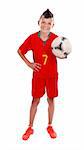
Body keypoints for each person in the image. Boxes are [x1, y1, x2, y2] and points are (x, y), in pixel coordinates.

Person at [17, 9, 58, 140]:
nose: (46, 25)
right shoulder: (32, 38)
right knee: (35, 100)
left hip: (52, 75)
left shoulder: (57, 39)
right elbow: (20, 50)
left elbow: (63, 52)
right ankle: (30, 127)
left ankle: (50, 125)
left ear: (53, 24)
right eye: (43, 22)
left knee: (51, 99)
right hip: (38, 75)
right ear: (39, 22)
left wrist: (63, 55)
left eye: (49, 23)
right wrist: (30, 64)